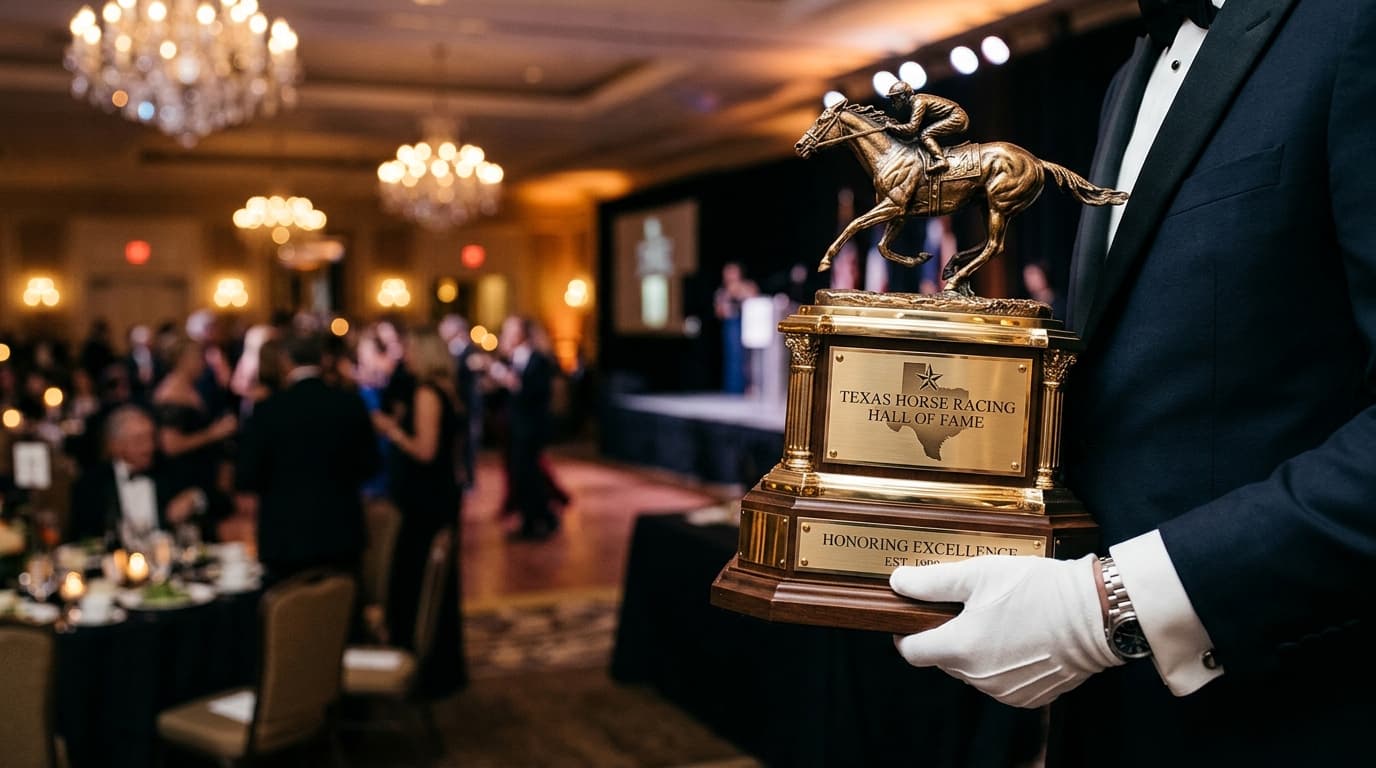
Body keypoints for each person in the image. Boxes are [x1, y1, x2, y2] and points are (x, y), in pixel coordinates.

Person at [887, 1, 1376, 765]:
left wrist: (1112, 605)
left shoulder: (1351, 23)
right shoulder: (1130, 75)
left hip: (1298, 707)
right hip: (1116, 714)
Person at [235, 332, 380, 584]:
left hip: (285, 539)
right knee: (340, 615)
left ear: (285, 361)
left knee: (289, 617)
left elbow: (247, 476)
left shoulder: (268, 409)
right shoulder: (349, 403)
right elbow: (370, 465)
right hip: (342, 532)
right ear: (323, 360)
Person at [369, 327, 467, 694]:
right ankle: (439, 664)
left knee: (412, 576)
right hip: (442, 494)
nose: (404, 356)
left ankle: (417, 666)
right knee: (432, 581)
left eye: (409, 349)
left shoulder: (427, 392)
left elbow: (426, 451)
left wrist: (390, 431)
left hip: (425, 500)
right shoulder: (448, 389)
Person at [68, 405, 204, 548]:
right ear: (116, 446)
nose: (149, 447)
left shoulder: (168, 470)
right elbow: (82, 538)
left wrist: (194, 498)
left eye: (151, 438)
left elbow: (212, 497)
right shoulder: (91, 484)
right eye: (139, 440)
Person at [490, 316, 559, 539]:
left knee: (529, 473)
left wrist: (510, 381)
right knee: (521, 474)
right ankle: (536, 518)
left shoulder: (539, 360)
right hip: (514, 426)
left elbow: (538, 392)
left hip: (531, 426)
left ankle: (538, 520)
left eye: (511, 329)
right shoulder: (510, 359)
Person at [884, 81, 968, 174]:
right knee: (923, 135)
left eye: (894, 98)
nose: (893, 102)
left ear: (903, 96)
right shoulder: (917, 100)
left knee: (925, 134)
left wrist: (892, 126)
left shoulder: (918, 102)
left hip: (956, 117)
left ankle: (941, 160)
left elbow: (912, 128)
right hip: (954, 115)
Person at [439, 313, 482, 489]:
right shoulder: (449, 350)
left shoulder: (470, 351)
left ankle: (469, 480)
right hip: (457, 406)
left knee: (468, 443)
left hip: (468, 405)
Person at [713, 262, 758, 395]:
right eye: (727, 272)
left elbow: (755, 300)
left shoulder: (748, 286)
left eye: (732, 272)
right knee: (732, 357)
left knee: (747, 357)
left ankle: (749, 386)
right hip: (731, 326)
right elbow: (718, 312)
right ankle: (733, 388)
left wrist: (740, 293)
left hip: (748, 325)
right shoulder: (722, 291)